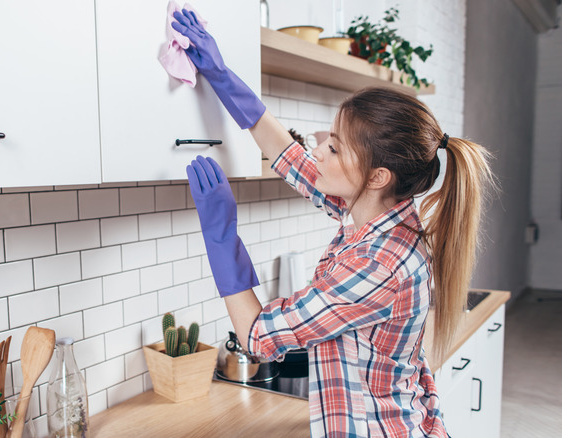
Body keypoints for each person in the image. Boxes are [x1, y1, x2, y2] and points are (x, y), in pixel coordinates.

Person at [173, 9, 495, 438]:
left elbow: (256, 336)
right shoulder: (374, 214)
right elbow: (288, 155)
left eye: (336, 149)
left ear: (378, 177)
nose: (319, 150)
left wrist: (221, 235)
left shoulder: (377, 263)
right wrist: (221, 73)